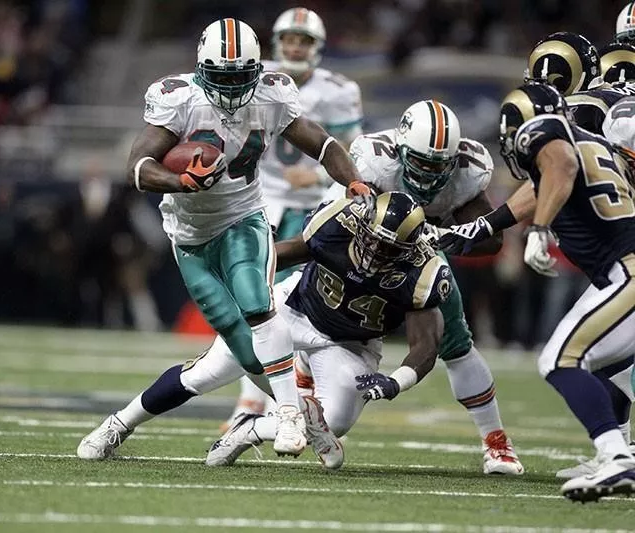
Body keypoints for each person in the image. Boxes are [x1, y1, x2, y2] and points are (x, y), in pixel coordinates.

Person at [87, 18, 369, 458]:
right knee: (243, 350)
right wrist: (180, 181)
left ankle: (291, 417)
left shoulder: (273, 92)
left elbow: (324, 144)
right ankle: (121, 426)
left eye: (242, 77)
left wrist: (352, 181)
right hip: (190, 234)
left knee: (258, 303)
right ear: (202, 70)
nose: (235, 88)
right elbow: (138, 166)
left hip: (244, 216)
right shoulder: (179, 98)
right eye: (224, 77)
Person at [76, 192, 449, 471]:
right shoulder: (339, 222)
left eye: (388, 248)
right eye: (372, 240)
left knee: (334, 421)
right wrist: (250, 284)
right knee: (207, 372)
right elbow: (288, 252)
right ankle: (119, 424)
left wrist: (396, 382)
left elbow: (426, 344)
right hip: (295, 310)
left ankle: (251, 428)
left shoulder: (424, 269)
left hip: (351, 342)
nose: (374, 252)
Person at [443, 82, 635, 502]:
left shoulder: (545, 135)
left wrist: (540, 229)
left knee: (560, 358)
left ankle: (616, 456)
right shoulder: (590, 145)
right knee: (605, 362)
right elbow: (543, 182)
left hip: (629, 274)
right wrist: (486, 226)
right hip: (622, 274)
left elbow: (559, 166)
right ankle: (619, 452)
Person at [324, 100, 524, 475]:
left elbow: (491, 241)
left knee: (457, 343)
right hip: (365, 254)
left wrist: (449, 236)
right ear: (400, 151)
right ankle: (301, 386)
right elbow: (339, 221)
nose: (430, 173)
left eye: (439, 165)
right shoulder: (373, 161)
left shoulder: (469, 171)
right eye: (421, 162)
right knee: (328, 321)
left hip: (423, 260)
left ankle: (496, 442)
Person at [222, 7, 364, 432]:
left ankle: (273, 399)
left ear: (317, 47)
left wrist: (320, 172)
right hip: (257, 200)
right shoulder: (254, 75)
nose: (295, 47)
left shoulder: (338, 90)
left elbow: (351, 151)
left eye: (303, 41)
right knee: (249, 300)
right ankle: (255, 399)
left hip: (313, 206)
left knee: (292, 304)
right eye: (289, 39)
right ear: (276, 42)